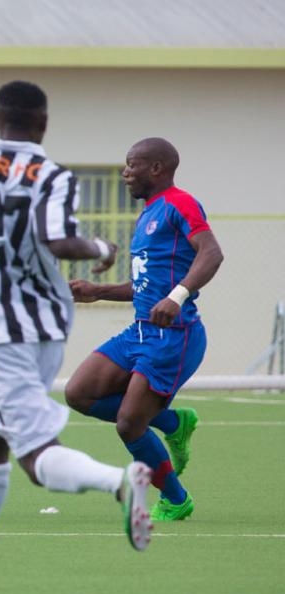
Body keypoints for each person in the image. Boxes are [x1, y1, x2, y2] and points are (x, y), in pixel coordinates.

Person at [0, 80, 153, 594]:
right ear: (42, 124)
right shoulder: (53, 174)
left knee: (35, 458)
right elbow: (59, 242)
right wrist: (102, 245)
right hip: (48, 323)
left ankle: (120, 480)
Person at [64, 137, 224, 523]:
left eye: (132, 165)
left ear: (157, 168)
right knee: (78, 393)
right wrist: (97, 291)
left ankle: (175, 499)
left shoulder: (180, 202)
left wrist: (179, 296)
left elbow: (212, 252)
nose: (125, 172)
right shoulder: (148, 214)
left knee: (129, 424)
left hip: (174, 335)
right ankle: (172, 422)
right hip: (139, 332)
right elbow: (145, 288)